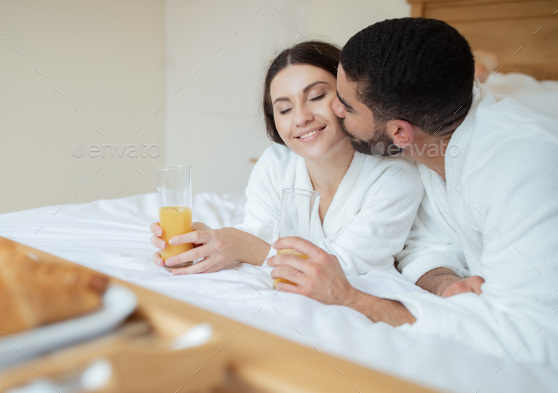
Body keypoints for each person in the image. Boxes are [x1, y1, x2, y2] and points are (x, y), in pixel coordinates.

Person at [268, 18, 558, 366]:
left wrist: (351, 298)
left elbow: (530, 339)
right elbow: (422, 246)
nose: (335, 109)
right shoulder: (430, 143)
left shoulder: (521, 170)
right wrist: (446, 283)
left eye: (346, 105)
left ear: (400, 133)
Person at [150, 41, 423, 276]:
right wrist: (207, 242)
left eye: (316, 96)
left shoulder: (395, 176)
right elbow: (257, 233)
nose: (301, 117)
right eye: (285, 109)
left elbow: (350, 263)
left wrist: (244, 247)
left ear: (348, 97)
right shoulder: (276, 163)